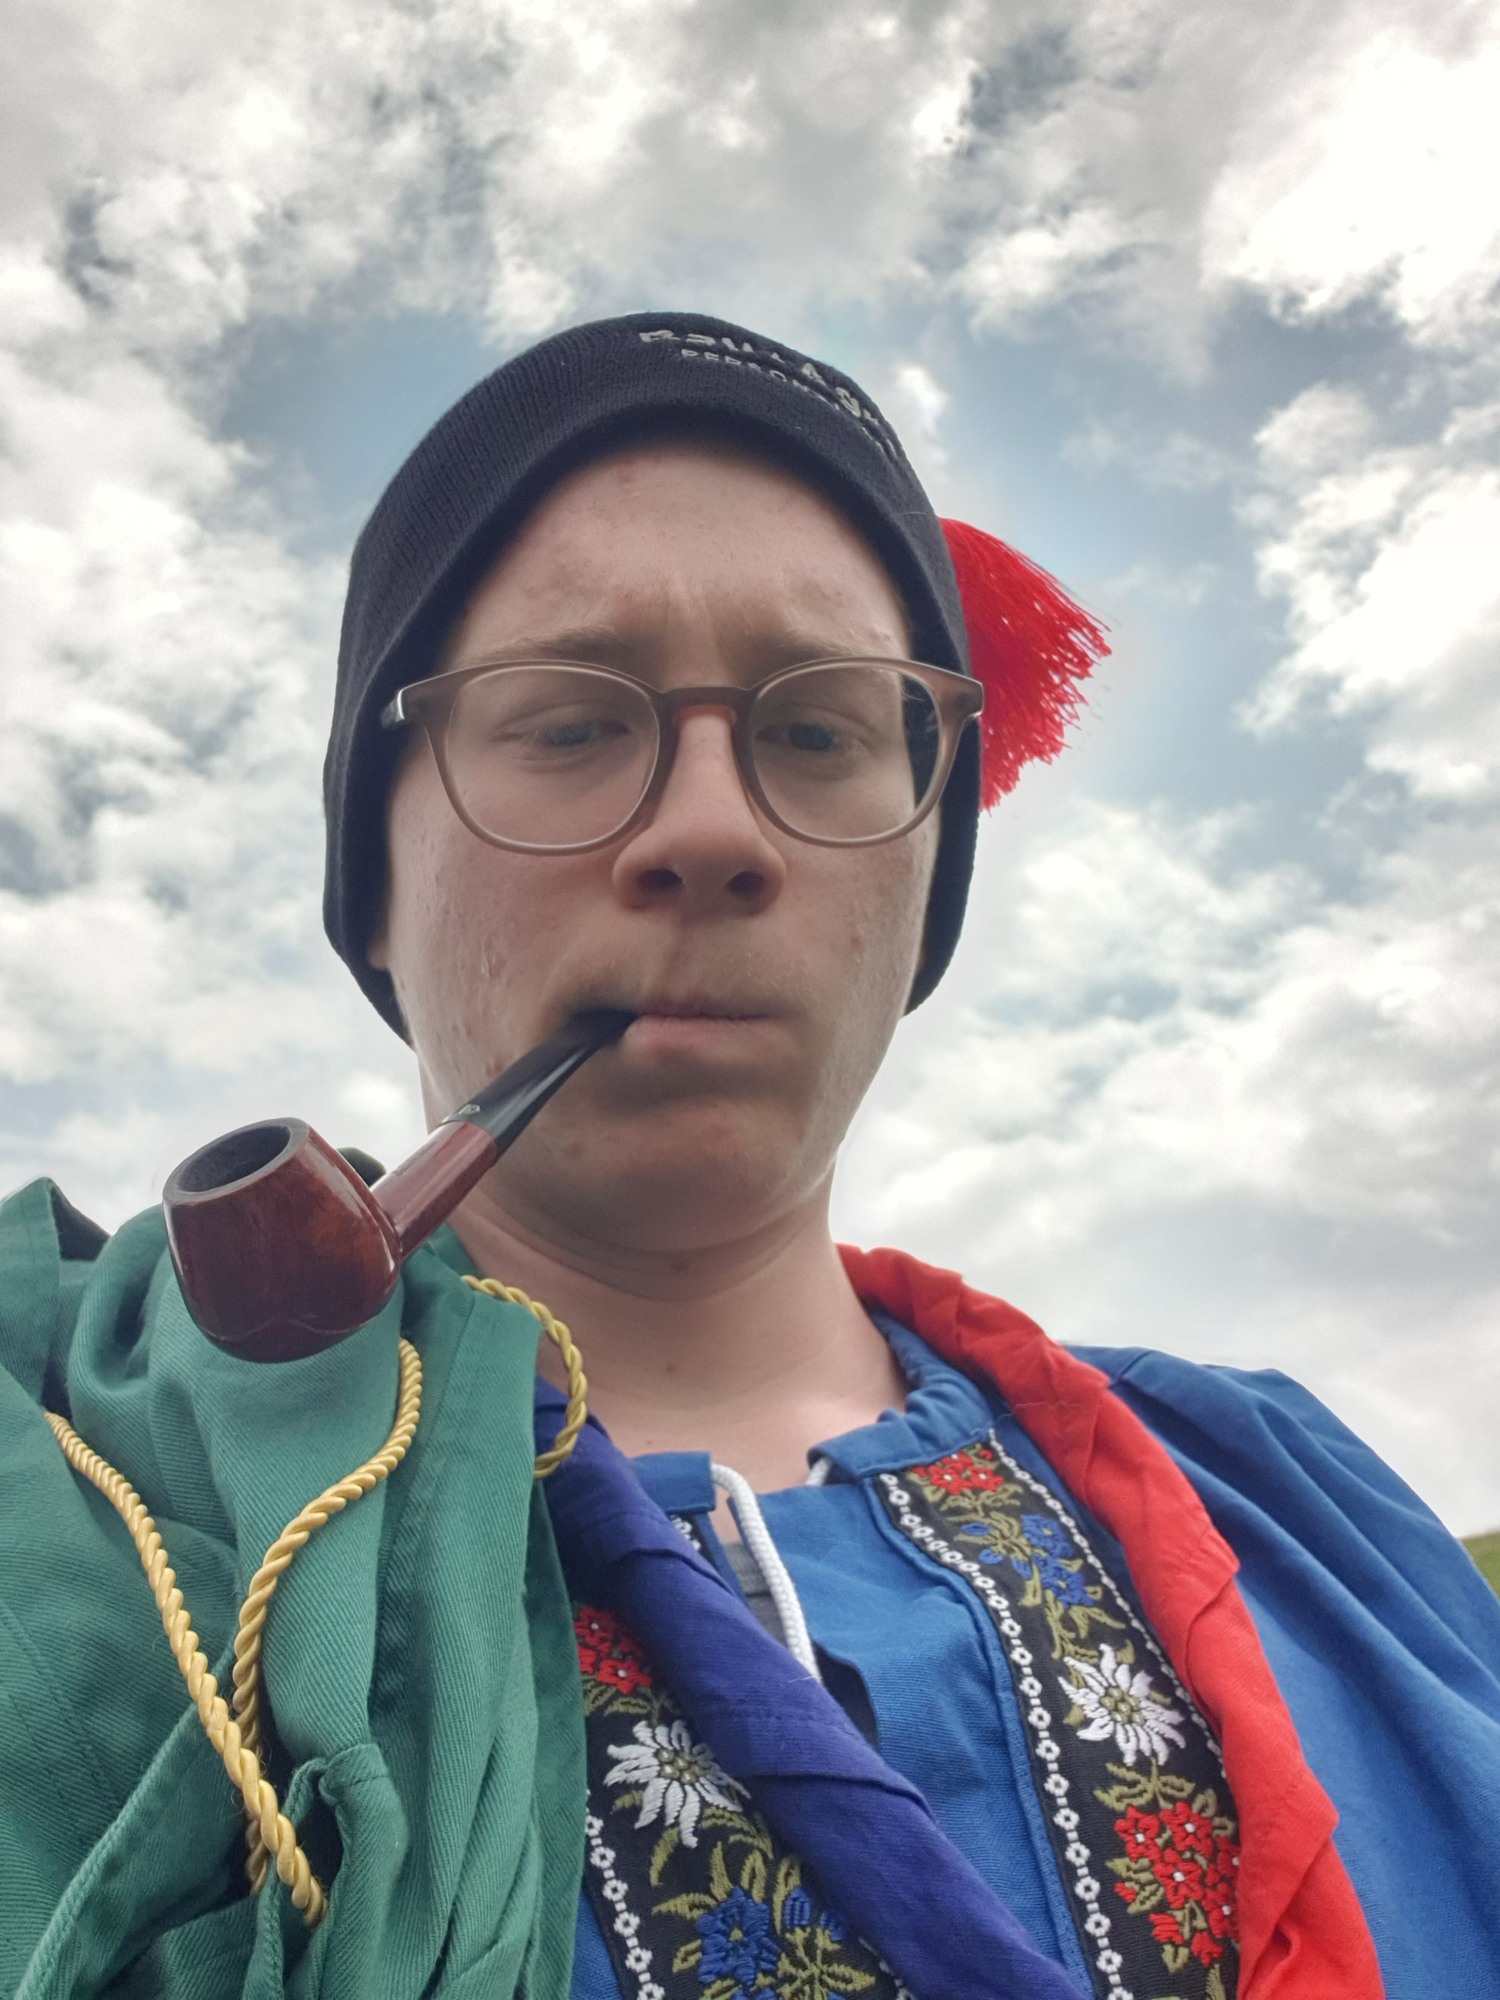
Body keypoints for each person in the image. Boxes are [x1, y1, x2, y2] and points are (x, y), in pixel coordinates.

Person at [2, 312, 1497, 2000]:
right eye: (569, 723)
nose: (711, 831)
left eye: (819, 731)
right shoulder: (82, 1521)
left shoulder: (1293, 1498)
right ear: (372, 890)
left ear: (924, 889)